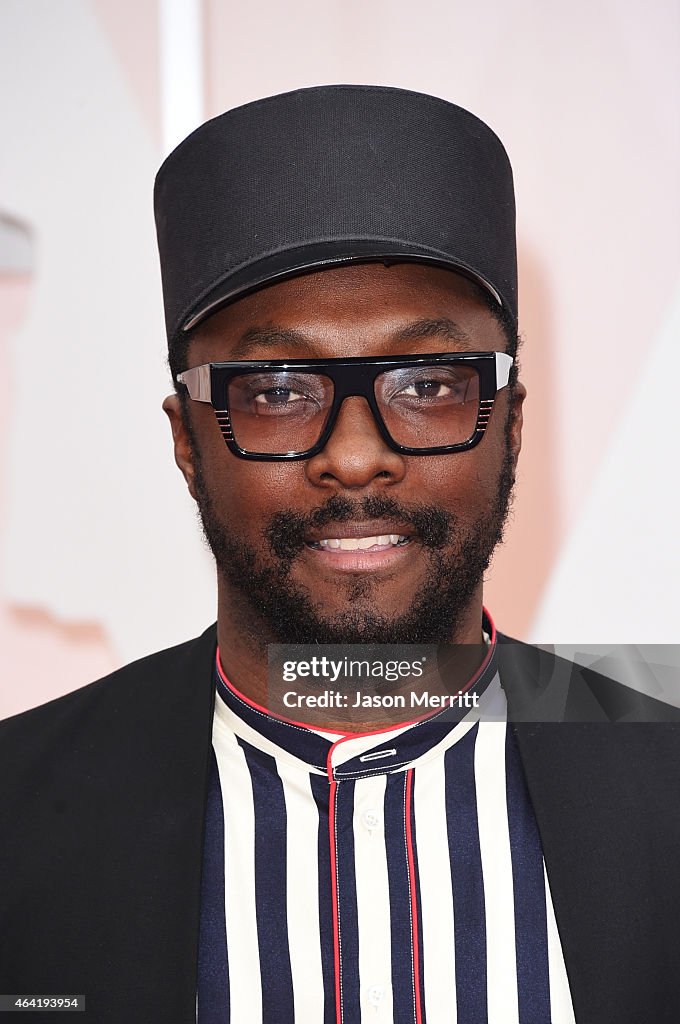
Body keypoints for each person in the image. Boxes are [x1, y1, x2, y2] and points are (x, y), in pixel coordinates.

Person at [1, 86, 678, 1024]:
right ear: (187, 441)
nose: (356, 454)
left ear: (511, 427)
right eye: (277, 389)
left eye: (427, 383)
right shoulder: (18, 822)